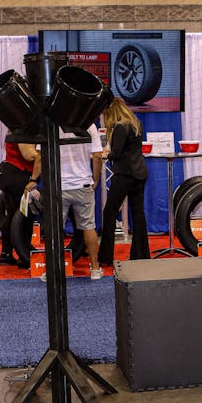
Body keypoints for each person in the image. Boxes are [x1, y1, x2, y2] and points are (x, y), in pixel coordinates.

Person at [98, 97, 150, 264]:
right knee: (138, 214)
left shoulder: (120, 127)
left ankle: (106, 257)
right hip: (140, 173)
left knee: (109, 212)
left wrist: (106, 154)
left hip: (124, 175)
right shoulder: (136, 124)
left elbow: (117, 153)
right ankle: (141, 255)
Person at [60, 123, 104, 280]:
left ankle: (53, 270)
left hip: (60, 186)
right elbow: (97, 155)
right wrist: (96, 179)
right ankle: (95, 269)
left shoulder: (52, 123)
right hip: (83, 184)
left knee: (55, 230)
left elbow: (40, 156)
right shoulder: (89, 125)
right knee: (88, 227)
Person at [0, 138, 41, 269]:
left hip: (10, 172)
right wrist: (46, 153)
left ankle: (7, 254)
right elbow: (29, 155)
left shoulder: (19, 125)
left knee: (14, 214)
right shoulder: (22, 129)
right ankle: (24, 255)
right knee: (24, 215)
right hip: (14, 173)